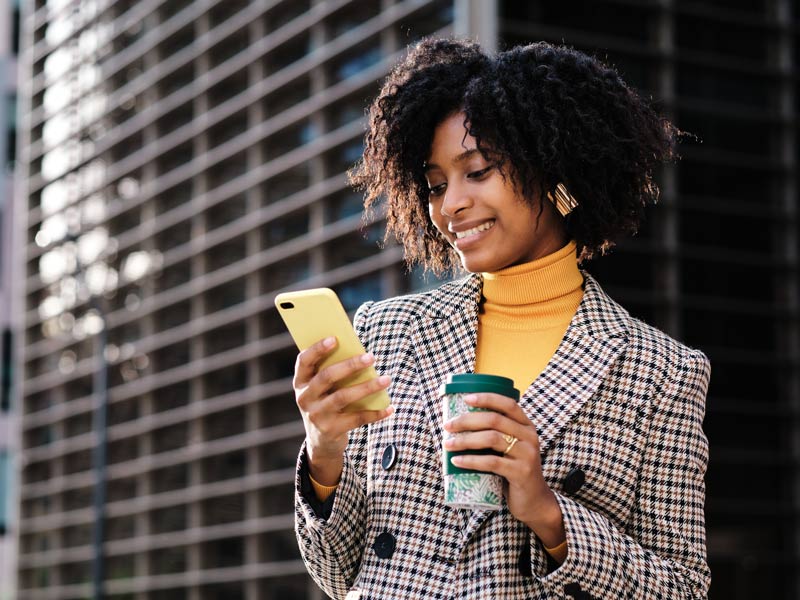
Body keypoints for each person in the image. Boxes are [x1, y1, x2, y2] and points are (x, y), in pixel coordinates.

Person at [291, 37, 710, 599]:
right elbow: (338, 575)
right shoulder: (383, 332)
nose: (449, 205)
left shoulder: (662, 372)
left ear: (555, 173)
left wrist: (548, 512)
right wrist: (323, 452)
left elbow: (682, 589)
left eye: (479, 170)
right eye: (436, 184)